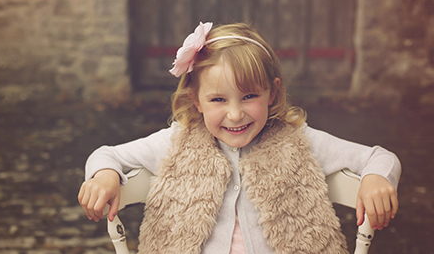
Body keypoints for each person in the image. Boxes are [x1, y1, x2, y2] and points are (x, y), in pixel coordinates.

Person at [78, 22, 399, 254]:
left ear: (271, 92)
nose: (235, 114)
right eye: (218, 100)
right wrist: (105, 175)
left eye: (248, 97)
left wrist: (374, 179)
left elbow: (380, 157)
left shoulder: (299, 142)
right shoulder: (177, 143)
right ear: (196, 99)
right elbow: (107, 154)